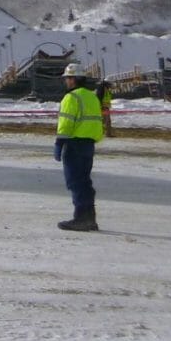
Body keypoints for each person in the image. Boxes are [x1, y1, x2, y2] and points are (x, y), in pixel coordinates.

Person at [54, 62, 107, 232]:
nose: (66, 81)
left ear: (74, 79)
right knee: (84, 181)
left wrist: (59, 143)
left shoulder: (72, 97)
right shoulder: (91, 97)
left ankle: (81, 219)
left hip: (74, 144)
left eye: (68, 78)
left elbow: (66, 122)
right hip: (88, 144)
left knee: (75, 182)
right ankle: (90, 218)